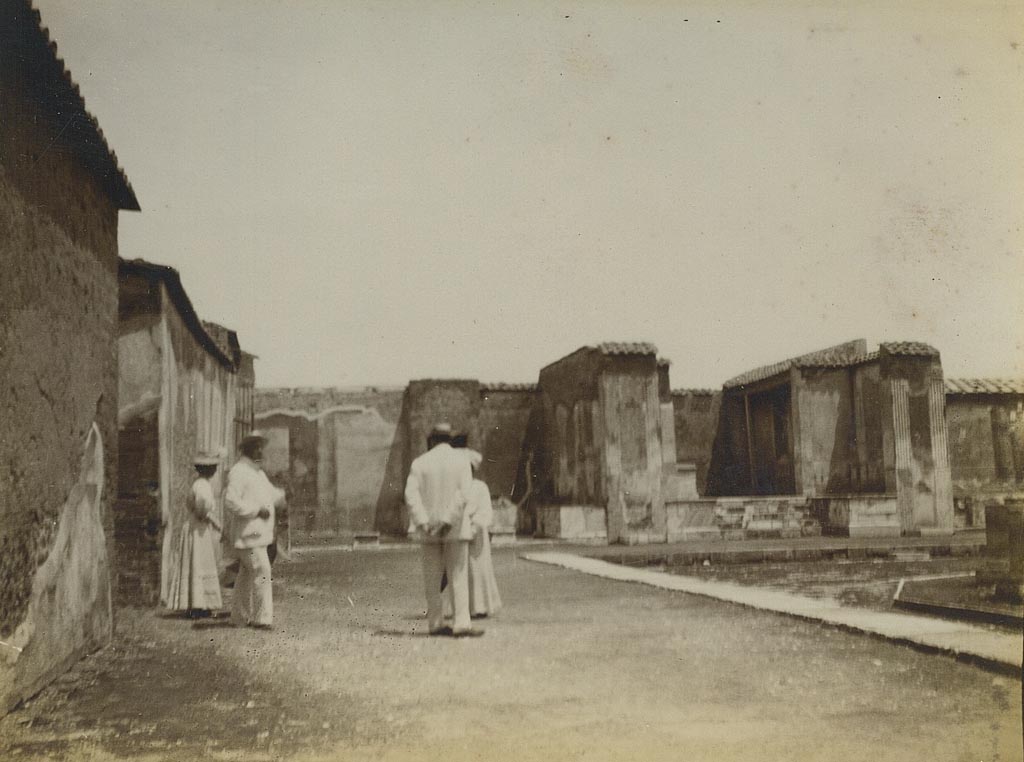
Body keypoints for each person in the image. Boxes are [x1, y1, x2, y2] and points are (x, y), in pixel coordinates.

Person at [404, 423, 482, 637]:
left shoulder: (420, 463)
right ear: (450, 439)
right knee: (458, 576)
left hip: (429, 531)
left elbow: (411, 495)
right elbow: (463, 494)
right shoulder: (462, 461)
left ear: (432, 440)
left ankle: (435, 623)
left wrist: (424, 522)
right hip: (455, 529)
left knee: (432, 579)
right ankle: (461, 624)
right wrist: (447, 521)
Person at [224, 431, 282, 630]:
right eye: (255, 447)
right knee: (262, 570)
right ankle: (262, 619)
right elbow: (231, 501)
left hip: (258, 534)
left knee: (246, 574)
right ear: (246, 449)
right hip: (248, 534)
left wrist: (282, 495)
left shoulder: (257, 473)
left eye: (260, 446)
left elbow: (270, 494)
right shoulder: (238, 471)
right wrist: (256, 510)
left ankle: (239, 617)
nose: (259, 450)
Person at [166, 453, 224, 618]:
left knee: (200, 563)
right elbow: (201, 508)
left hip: (198, 527)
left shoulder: (200, 484)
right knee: (198, 562)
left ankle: (201, 604)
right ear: (207, 469)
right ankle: (197, 605)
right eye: (212, 467)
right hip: (198, 527)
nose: (215, 470)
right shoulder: (202, 485)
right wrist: (213, 520)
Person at [450, 439, 502, 619]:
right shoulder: (455, 487)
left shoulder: (480, 487)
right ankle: (461, 608)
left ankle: (479, 607)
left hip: (477, 536)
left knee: (477, 571)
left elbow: (485, 512)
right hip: (458, 533)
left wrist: (473, 528)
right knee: (459, 572)